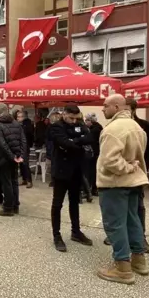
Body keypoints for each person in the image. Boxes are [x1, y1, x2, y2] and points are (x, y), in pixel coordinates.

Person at [96, 94, 149, 285]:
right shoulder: (137, 126)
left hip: (114, 183)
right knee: (132, 220)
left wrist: (127, 168)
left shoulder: (113, 129)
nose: (102, 109)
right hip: (134, 182)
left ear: (117, 106)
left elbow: (110, 161)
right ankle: (139, 260)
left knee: (115, 224)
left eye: (105, 106)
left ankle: (122, 267)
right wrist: (132, 168)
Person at [49, 104, 94, 252]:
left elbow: (90, 137)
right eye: (71, 118)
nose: (74, 121)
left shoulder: (80, 124)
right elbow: (63, 142)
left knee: (74, 202)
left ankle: (76, 231)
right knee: (57, 204)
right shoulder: (56, 126)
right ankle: (57, 235)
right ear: (64, 114)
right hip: (61, 171)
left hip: (76, 170)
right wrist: (77, 140)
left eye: (76, 118)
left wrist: (73, 141)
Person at [124, 98, 149, 252]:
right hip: (120, 173)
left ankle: (141, 238)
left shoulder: (144, 126)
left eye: (127, 109)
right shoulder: (116, 125)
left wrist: (144, 165)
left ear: (134, 110)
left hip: (137, 172)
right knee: (120, 205)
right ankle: (121, 235)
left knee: (138, 205)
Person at [0, 103, 25, 216]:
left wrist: (11, 156)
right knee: (14, 181)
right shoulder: (16, 123)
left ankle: (8, 208)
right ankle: (15, 206)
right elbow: (23, 141)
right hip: (15, 157)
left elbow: (2, 144)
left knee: (6, 183)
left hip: (4, 158)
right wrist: (19, 156)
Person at [85, 113, 103, 197]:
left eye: (86, 120)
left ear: (90, 121)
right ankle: (93, 189)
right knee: (94, 172)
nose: (85, 122)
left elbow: (89, 140)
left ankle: (91, 189)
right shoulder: (99, 127)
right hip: (97, 152)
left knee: (91, 172)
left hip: (93, 153)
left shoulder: (94, 130)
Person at [14, 110, 33, 188]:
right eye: (17, 117)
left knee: (25, 163)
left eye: (19, 117)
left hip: (25, 146)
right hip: (18, 146)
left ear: (23, 117)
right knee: (21, 164)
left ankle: (29, 180)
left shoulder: (27, 125)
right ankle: (24, 179)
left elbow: (29, 136)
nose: (18, 118)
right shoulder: (19, 124)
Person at [45, 111, 60, 188]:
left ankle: (54, 180)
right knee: (56, 164)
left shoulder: (50, 127)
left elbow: (47, 138)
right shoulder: (59, 127)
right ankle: (55, 180)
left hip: (52, 147)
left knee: (54, 164)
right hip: (55, 147)